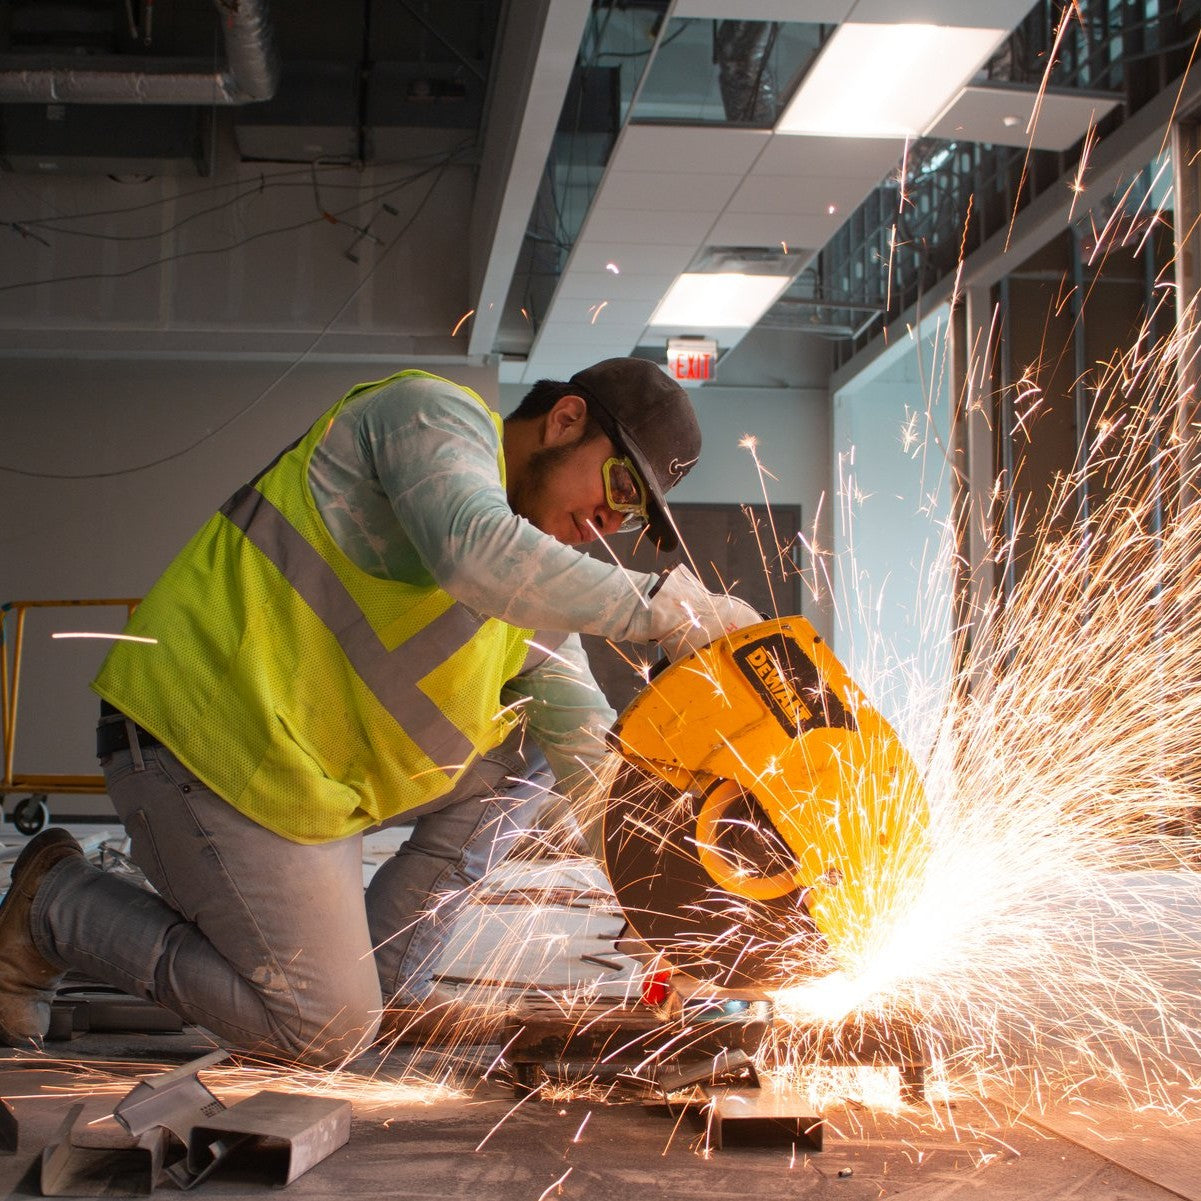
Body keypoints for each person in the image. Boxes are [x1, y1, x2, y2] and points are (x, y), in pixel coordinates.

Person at [0, 358, 759, 1065]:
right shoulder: (427, 418)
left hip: (304, 790)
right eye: (619, 488)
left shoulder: (537, 594)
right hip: (199, 749)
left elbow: (590, 757)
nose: (607, 522)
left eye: (631, 519)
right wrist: (661, 607)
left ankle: (389, 972)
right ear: (564, 420)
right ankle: (55, 906)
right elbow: (472, 551)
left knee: (536, 741)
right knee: (321, 1028)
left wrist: (667, 905)